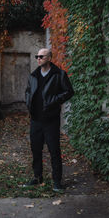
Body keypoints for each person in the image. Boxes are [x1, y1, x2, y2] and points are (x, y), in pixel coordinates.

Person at [25, 48, 74, 192]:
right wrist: (28, 101)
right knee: (36, 149)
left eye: (41, 56)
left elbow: (69, 91)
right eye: (37, 56)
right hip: (36, 119)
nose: (38, 58)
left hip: (51, 119)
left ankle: (57, 182)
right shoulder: (33, 76)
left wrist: (54, 100)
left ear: (49, 58)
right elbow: (28, 91)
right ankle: (37, 177)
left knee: (54, 151)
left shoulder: (59, 74)